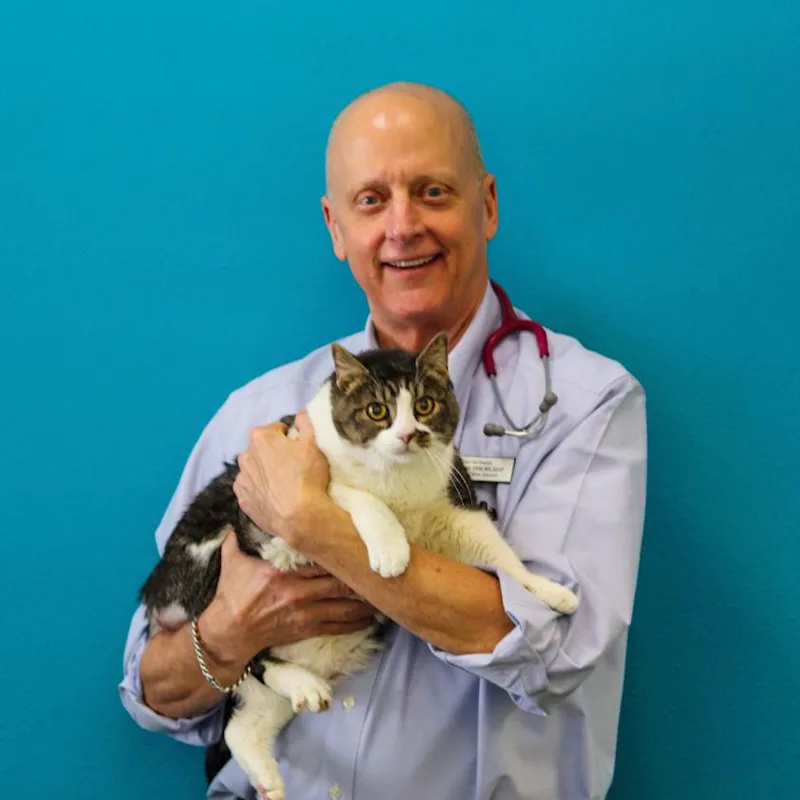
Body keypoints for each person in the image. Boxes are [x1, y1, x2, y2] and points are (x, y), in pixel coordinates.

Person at [119, 81, 647, 800]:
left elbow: (553, 651)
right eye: (371, 201)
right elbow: (152, 687)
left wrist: (314, 523)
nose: (403, 227)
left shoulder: (586, 403)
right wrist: (231, 632)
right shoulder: (264, 409)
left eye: (432, 192)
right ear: (336, 228)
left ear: (486, 205)